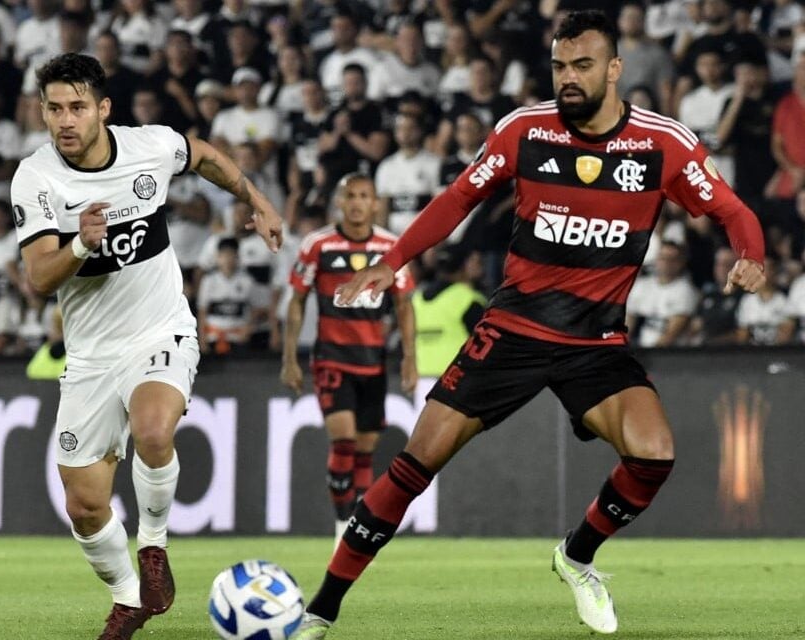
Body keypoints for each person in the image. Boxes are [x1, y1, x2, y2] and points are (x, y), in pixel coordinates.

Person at [290, 11, 766, 638]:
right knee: (414, 464)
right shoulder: (525, 130)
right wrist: (393, 260)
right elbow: (459, 196)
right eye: (560, 66)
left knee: (654, 455)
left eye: (583, 66)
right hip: (513, 329)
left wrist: (751, 256)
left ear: (615, 69)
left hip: (595, 342)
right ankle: (320, 610)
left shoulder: (661, 144)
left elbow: (733, 210)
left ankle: (576, 555)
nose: (568, 78)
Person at [11, 53, 283, 639]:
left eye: (77, 107)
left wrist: (255, 199)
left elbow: (204, 155)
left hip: (161, 330)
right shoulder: (36, 179)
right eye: (54, 108)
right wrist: (81, 246)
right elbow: (38, 276)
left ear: (103, 109)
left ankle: (153, 549)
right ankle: (129, 598)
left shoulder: (150, 148)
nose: (65, 120)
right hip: (89, 356)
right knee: (84, 506)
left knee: (154, 430)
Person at [281, 172, 417, 548]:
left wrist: (409, 358)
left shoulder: (392, 248)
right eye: (350, 195)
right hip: (331, 358)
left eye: (364, 196)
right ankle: (343, 527)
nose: (357, 202)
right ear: (339, 202)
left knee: (365, 451)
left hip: (373, 362)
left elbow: (404, 305)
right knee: (343, 441)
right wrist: (289, 357)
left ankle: (355, 522)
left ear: (375, 203)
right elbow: (297, 300)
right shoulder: (318, 244)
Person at [412, 244, 486, 378]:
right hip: (456, 375)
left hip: (422, 374)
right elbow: (484, 342)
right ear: (463, 266)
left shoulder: (417, 298)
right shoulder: (467, 298)